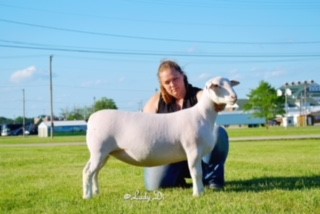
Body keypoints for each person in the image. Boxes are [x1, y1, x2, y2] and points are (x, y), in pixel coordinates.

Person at [143, 60, 229, 191]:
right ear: (162, 84)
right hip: (170, 157)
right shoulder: (156, 101)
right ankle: (180, 180)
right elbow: (144, 126)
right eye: (167, 82)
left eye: (175, 79)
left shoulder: (199, 95)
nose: (172, 84)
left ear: (183, 76)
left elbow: (213, 101)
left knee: (218, 132)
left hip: (199, 156)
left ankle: (213, 180)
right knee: (155, 186)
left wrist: (219, 102)